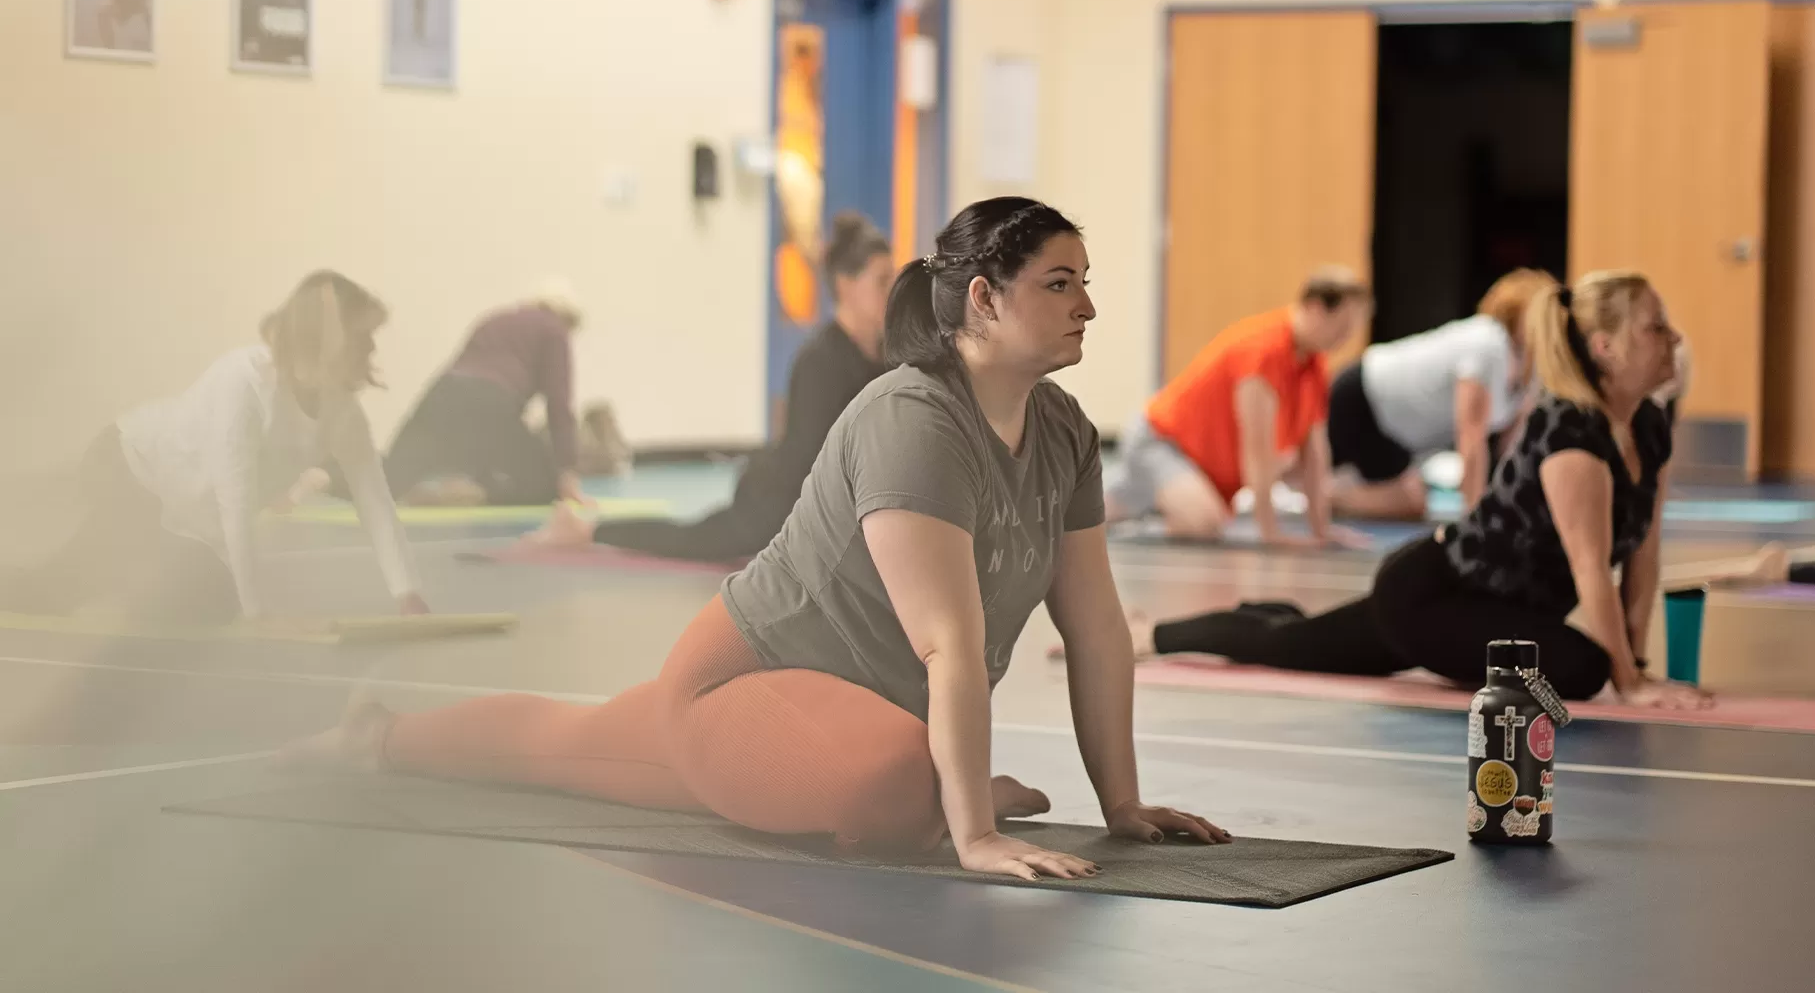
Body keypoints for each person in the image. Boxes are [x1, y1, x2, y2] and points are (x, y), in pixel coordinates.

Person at [287, 197, 1229, 879]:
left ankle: (379, 733)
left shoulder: (1062, 430)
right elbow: (952, 642)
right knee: (873, 783)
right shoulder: (914, 419)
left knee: (584, 738)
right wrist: (974, 832)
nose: (1087, 309)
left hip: (856, 707)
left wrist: (1123, 807)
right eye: (1060, 285)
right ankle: (383, 737)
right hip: (741, 685)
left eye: (1085, 285)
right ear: (983, 299)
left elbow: (1099, 628)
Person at [1139, 271, 1713, 709]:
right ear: (1605, 348)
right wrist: (1629, 684)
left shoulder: (1650, 429)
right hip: (1433, 596)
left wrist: (1637, 664)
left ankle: (1267, 615)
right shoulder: (1573, 436)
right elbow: (1593, 570)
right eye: (1655, 327)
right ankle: (1152, 635)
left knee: (1295, 638)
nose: (1674, 338)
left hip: (1486, 614)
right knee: (1584, 668)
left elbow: (1643, 551)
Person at [4, 272, 424, 622]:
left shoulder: (342, 410)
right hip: (127, 466)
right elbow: (234, 501)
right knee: (67, 587)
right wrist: (257, 613)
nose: (372, 348)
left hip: (183, 511)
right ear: (325, 338)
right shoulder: (243, 381)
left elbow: (374, 500)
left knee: (205, 605)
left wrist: (407, 594)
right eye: (363, 336)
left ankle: (113, 579)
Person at [533, 213, 893, 562]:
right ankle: (586, 531)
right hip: (781, 495)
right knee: (696, 539)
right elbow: (811, 457)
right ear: (846, 285)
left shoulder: (886, 358)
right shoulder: (820, 360)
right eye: (881, 281)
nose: (891, 292)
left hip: (832, 497)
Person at [1105, 268, 1372, 549]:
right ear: (1316, 308)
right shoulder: (1263, 351)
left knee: (1103, 510)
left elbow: (1314, 454)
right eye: (1342, 328)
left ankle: (1136, 494)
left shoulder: (1313, 364)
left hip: (1205, 464)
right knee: (1204, 525)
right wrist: (1270, 533)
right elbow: (1257, 451)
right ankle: (1150, 505)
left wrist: (1322, 530)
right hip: (1162, 442)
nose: (1345, 339)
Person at [1328, 269, 1559, 521]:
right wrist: (1476, 518)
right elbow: (1471, 435)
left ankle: (1325, 485)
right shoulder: (1488, 342)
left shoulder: (1529, 364)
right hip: (1363, 398)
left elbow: (1513, 446)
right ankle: (1323, 494)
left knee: (1413, 498)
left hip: (1394, 431)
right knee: (1412, 502)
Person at [383, 282, 586, 507]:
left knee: (390, 480)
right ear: (567, 318)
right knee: (543, 487)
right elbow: (559, 403)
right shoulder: (554, 329)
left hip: (443, 392)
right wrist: (567, 472)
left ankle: (438, 486)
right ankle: (467, 494)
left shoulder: (496, 319)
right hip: (491, 401)